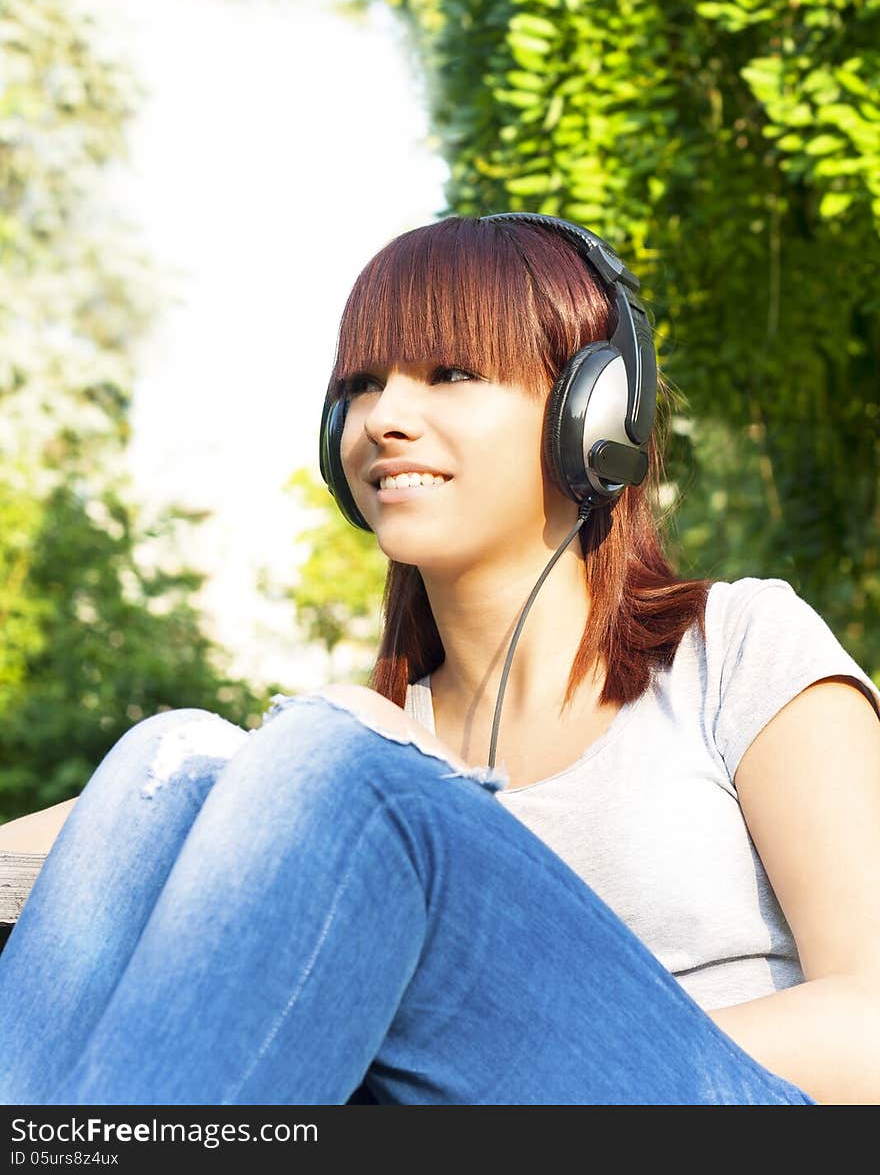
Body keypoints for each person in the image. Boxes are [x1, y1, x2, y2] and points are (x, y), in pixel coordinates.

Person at [0, 212, 878, 1106]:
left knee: (339, 761)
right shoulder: (373, 746)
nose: (386, 418)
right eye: (364, 384)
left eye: (451, 374)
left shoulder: (737, 650)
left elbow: (870, 1027)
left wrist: (523, 1049)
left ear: (595, 413)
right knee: (174, 751)